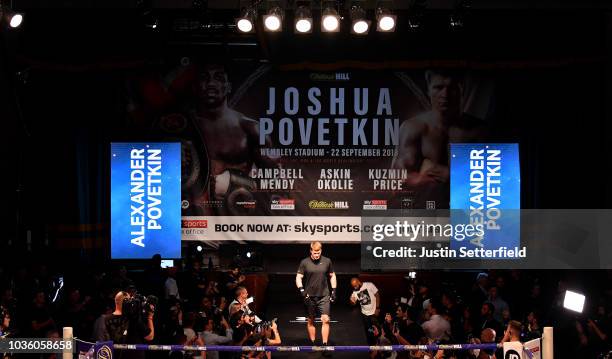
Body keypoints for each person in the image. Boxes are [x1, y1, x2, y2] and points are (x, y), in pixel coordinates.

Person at [181, 62, 279, 215]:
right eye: (204, 78)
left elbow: (277, 182)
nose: (211, 83)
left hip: (236, 217)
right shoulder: (181, 126)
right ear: (194, 87)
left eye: (218, 78)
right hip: (188, 216)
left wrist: (232, 181)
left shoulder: (250, 128)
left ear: (228, 87)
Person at [392, 69, 485, 208]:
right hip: (426, 213)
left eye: (452, 88)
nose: (445, 95)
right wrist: (420, 179)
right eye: (438, 87)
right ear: (428, 89)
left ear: (462, 90)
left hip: (468, 213)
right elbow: (397, 181)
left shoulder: (479, 130)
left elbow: (499, 182)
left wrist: (451, 175)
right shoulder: (414, 128)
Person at [295, 241, 337, 350]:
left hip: (324, 296)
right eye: (315, 253)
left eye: (318, 253)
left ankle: (324, 345)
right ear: (311, 251)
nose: (317, 255)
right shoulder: (304, 262)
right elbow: (298, 277)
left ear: (321, 251)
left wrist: (334, 290)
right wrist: (302, 290)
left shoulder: (327, 261)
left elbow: (332, 275)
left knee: (325, 319)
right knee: (311, 320)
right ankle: (313, 344)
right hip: (309, 296)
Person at [103, 291, 155, 359]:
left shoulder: (105, 319)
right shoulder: (133, 318)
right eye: (130, 300)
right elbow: (150, 337)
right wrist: (150, 317)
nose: (132, 303)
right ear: (125, 302)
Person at [349, 278, 380, 352]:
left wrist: (377, 308)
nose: (355, 288)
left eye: (356, 286)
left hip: (373, 313)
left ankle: (378, 346)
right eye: (353, 286)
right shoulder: (355, 292)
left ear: (359, 282)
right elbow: (353, 303)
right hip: (365, 314)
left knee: (376, 330)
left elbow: (377, 295)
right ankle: (372, 348)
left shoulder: (369, 285)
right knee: (369, 331)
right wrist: (351, 301)